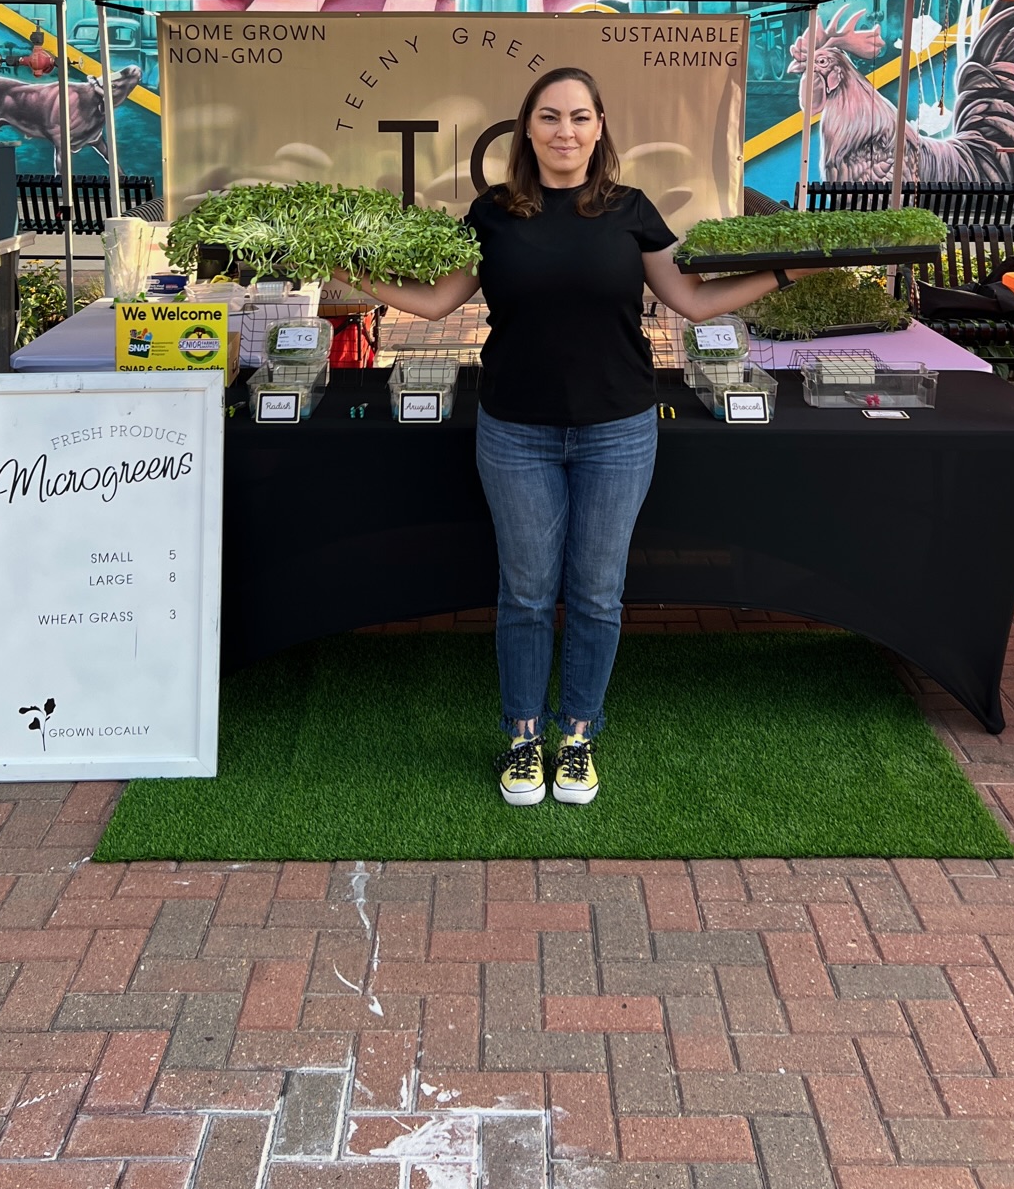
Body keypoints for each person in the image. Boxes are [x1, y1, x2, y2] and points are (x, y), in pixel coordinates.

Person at [339, 67, 802, 808]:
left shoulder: (630, 209)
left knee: (595, 592)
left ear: (599, 126)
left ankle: (577, 736)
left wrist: (783, 272)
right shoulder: (493, 213)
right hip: (515, 430)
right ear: (527, 128)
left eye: (579, 117)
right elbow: (432, 303)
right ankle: (524, 738)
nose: (565, 130)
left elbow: (688, 299)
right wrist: (346, 269)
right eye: (550, 116)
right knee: (524, 592)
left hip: (617, 431)